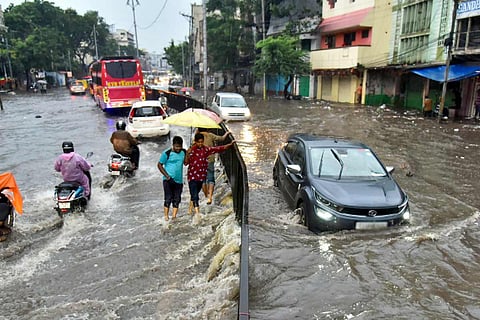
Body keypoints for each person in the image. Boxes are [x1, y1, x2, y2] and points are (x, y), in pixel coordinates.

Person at [185, 133, 235, 216]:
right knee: (194, 195)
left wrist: (229, 145)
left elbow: (218, 149)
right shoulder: (191, 150)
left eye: (202, 142)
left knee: (195, 193)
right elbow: (185, 163)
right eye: (198, 142)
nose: (200, 144)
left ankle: (190, 209)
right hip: (192, 176)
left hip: (201, 176)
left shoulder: (206, 149)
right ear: (195, 141)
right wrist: (187, 154)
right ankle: (197, 214)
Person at [195, 128, 230, 205]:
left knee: (203, 180)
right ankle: (210, 196)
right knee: (210, 178)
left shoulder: (197, 137)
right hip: (210, 160)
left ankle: (206, 196)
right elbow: (221, 138)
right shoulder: (210, 135)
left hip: (200, 160)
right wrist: (226, 133)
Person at [157, 136, 187, 221]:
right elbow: (159, 165)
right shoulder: (167, 153)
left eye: (180, 146)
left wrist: (188, 154)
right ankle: (166, 217)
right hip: (168, 180)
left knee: (177, 199)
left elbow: (185, 163)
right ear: (173, 145)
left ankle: (174, 217)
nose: (178, 148)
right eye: (176, 146)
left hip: (179, 180)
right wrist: (167, 176)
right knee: (168, 198)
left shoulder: (183, 152)